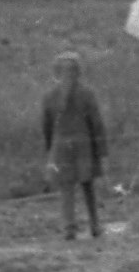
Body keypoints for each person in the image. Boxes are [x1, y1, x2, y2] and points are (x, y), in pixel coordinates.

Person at [40, 51, 109, 240]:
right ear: (79, 72)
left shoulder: (50, 96)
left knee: (66, 188)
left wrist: (49, 150)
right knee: (88, 187)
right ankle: (95, 225)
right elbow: (97, 124)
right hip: (84, 145)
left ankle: (69, 227)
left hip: (61, 146)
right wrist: (102, 151)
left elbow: (46, 127)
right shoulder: (87, 93)